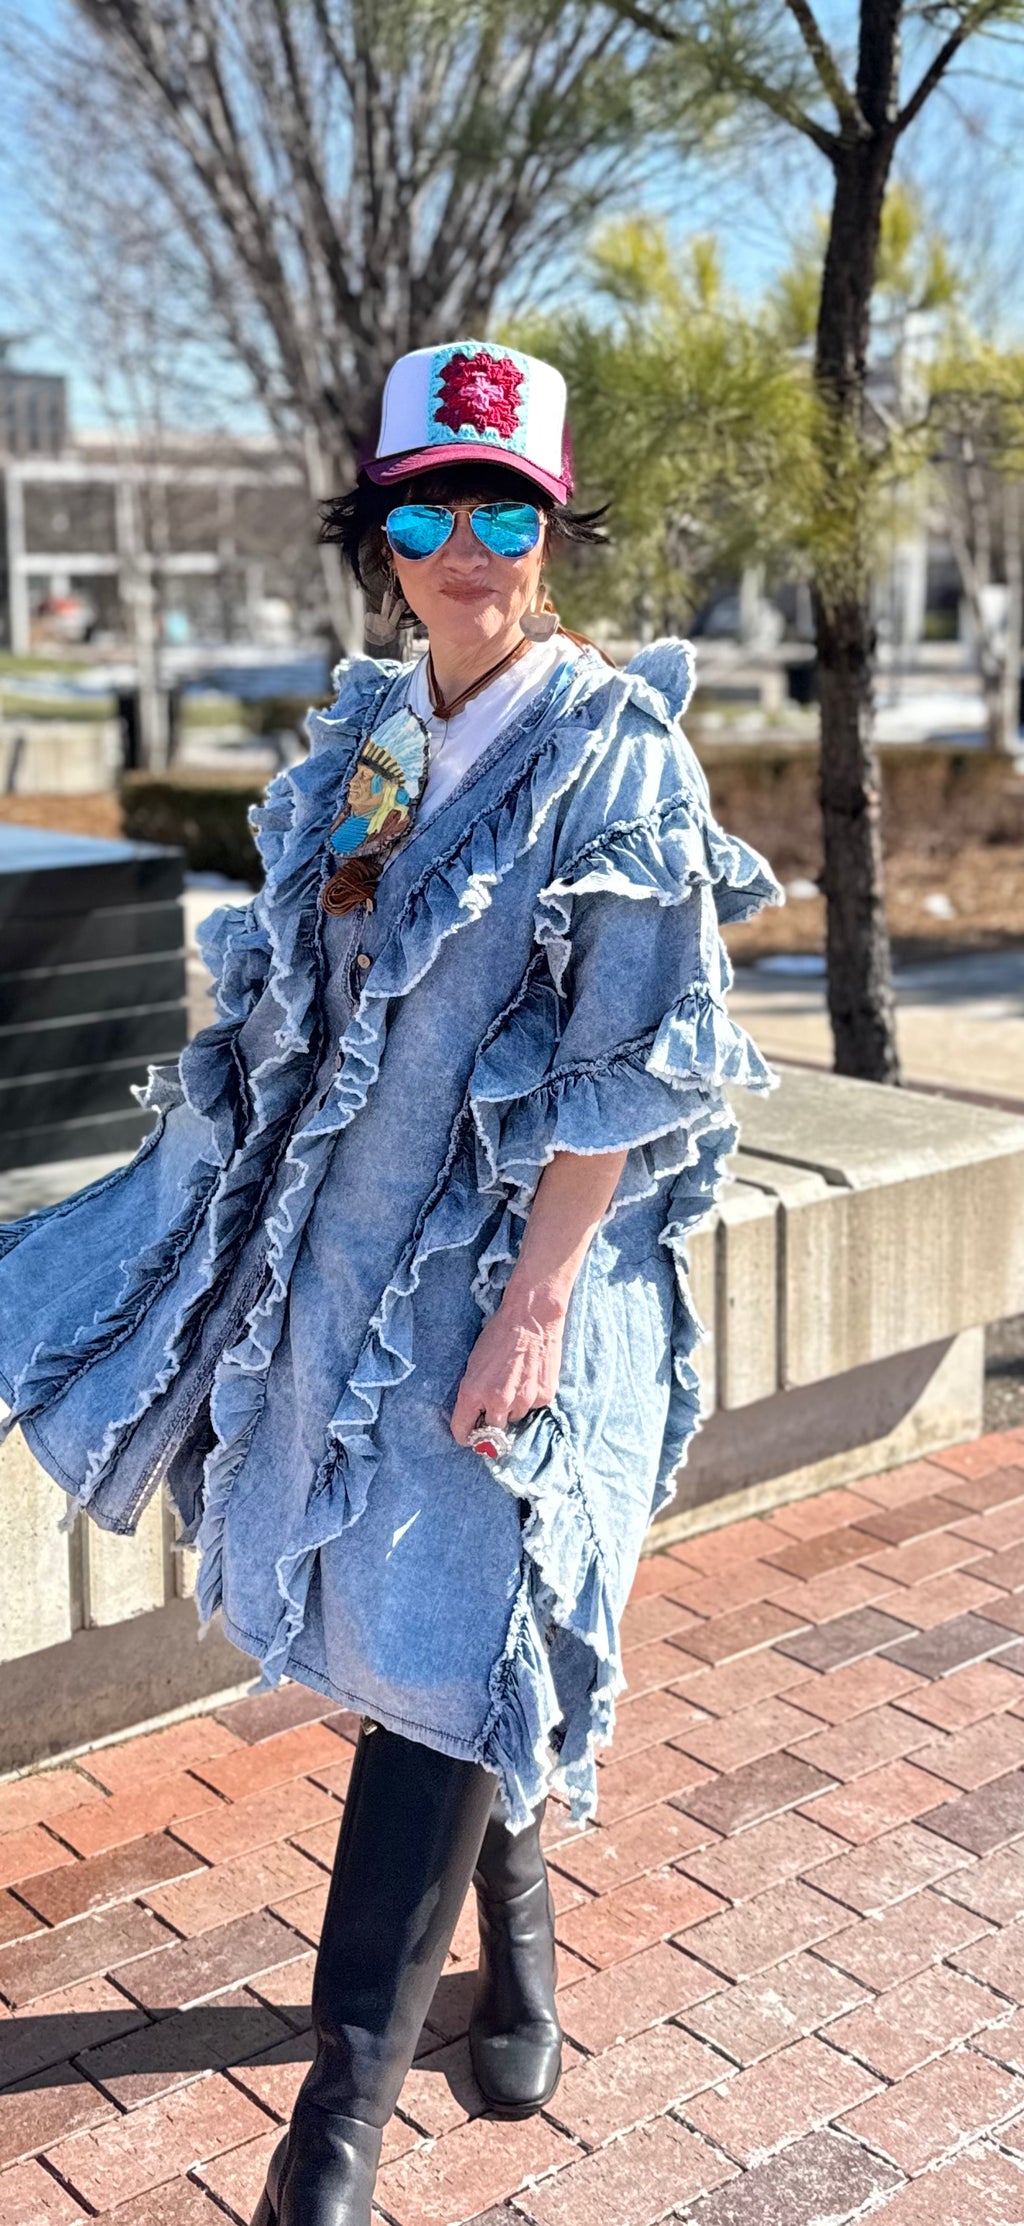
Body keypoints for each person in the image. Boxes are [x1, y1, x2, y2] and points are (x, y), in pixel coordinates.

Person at [0, 339, 783, 2226]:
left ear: (549, 526)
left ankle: (330, 2130)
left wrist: (533, 1302)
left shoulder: (618, 755)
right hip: (346, 1272)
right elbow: (299, 1014)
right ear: (380, 533)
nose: (463, 544)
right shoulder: (367, 739)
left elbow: (635, 1057)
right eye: (424, 506)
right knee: (419, 1642)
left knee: (443, 1626)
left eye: (500, 506)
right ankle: (510, 1937)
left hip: (522, 1286)